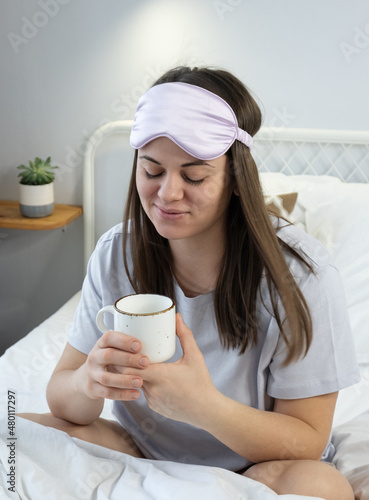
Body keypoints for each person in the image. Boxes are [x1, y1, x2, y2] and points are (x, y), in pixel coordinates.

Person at [20, 66, 360, 499]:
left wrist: (204, 407)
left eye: (194, 176)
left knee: (322, 487)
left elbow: (308, 439)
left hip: (261, 467)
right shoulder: (116, 253)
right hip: (142, 452)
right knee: (18, 436)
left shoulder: (301, 277)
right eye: (152, 170)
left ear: (236, 178)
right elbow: (62, 400)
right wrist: (88, 380)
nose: (167, 194)